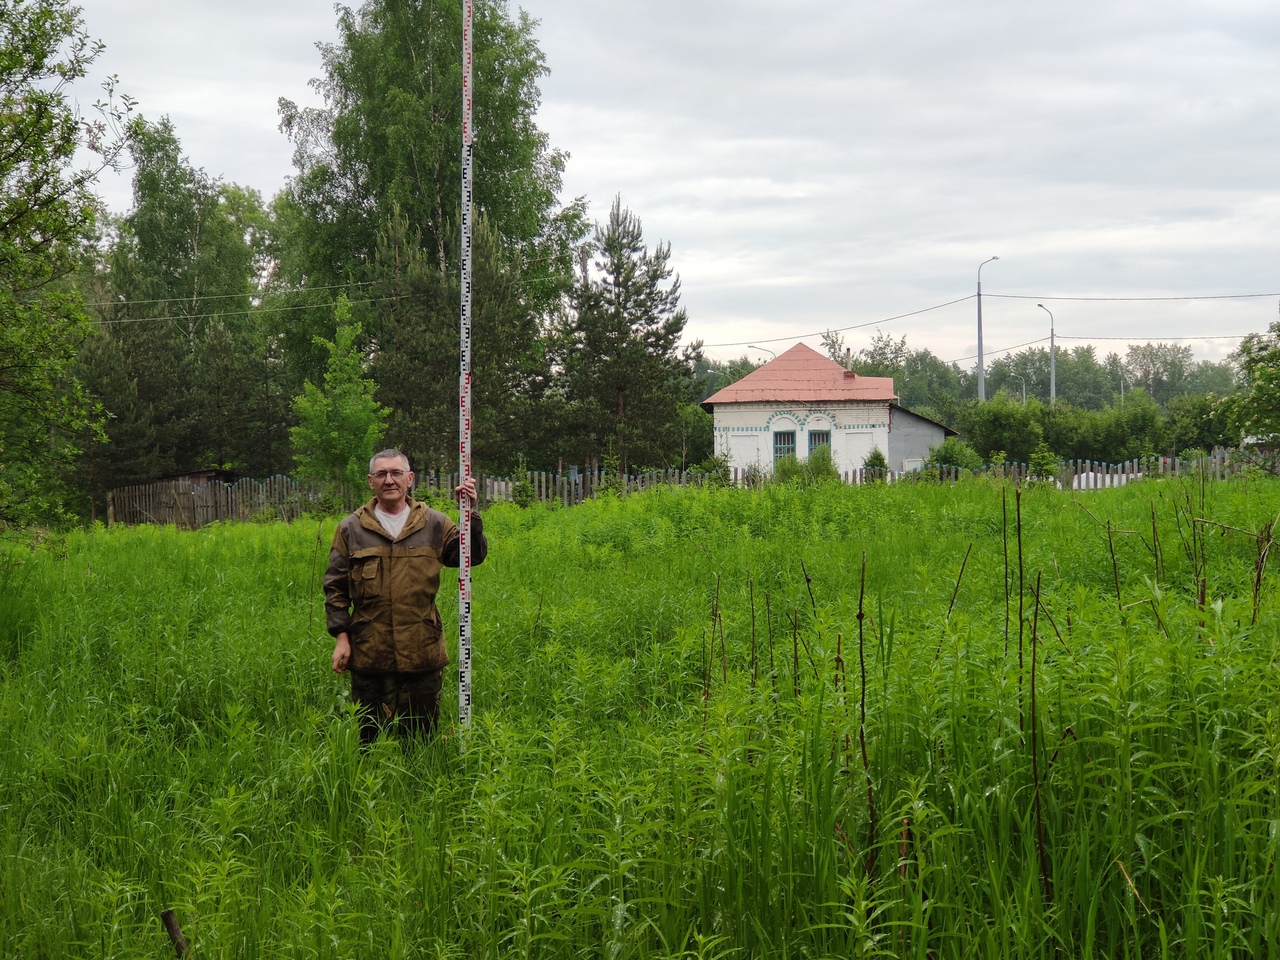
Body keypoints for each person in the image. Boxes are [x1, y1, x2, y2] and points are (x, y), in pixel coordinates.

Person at [323, 448, 488, 742]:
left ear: (409, 479)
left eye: (396, 473)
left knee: (420, 742)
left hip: (421, 652)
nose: (389, 480)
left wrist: (470, 514)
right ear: (370, 481)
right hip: (370, 654)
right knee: (369, 742)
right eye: (381, 474)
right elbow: (336, 586)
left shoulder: (435, 524)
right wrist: (341, 637)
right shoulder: (351, 528)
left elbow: (470, 556)